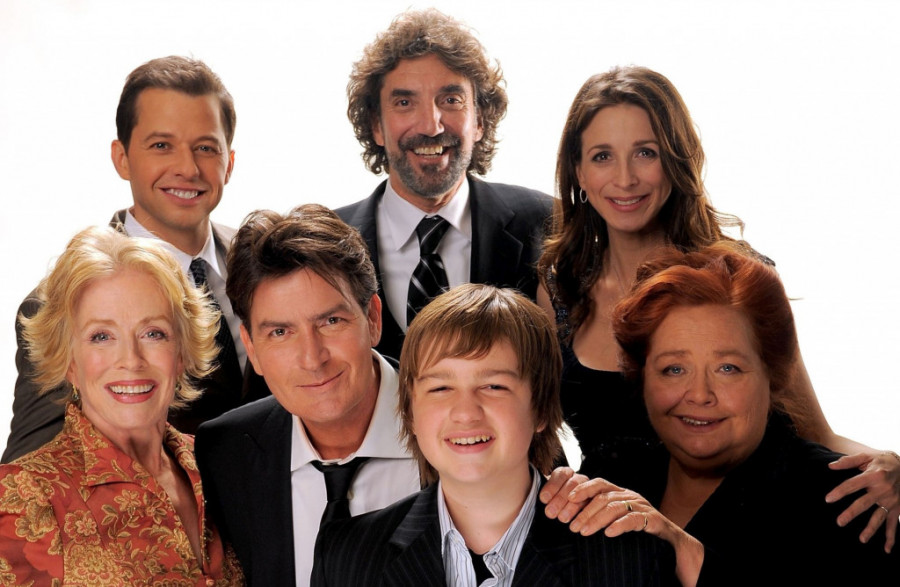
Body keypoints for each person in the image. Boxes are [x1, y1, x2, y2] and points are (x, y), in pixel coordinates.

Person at [536, 65, 900, 548]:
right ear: (579, 171)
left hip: (747, 529)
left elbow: (814, 431)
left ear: (676, 160)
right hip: (615, 541)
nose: (625, 178)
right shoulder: (560, 289)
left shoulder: (737, 277)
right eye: (603, 156)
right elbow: (538, 436)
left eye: (646, 152)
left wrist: (892, 465)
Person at [196, 206, 606, 586]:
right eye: (280, 332)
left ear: (373, 318)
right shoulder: (225, 453)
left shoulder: (490, 427)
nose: (312, 358)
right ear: (251, 348)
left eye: (331, 321)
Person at [568, 244, 897, 585]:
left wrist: (686, 554)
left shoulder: (846, 498)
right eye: (674, 369)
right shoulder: (610, 471)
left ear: (773, 374)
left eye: (728, 368)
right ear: (643, 378)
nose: (699, 394)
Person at [312, 284, 677, 586]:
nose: (466, 412)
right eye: (440, 388)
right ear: (410, 411)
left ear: (541, 407)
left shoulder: (627, 556)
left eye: (494, 386)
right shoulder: (346, 556)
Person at [4, 56, 268, 463]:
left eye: (205, 148)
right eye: (161, 146)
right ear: (122, 158)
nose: (187, 168)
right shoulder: (62, 300)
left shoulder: (264, 262)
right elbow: (31, 468)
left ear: (229, 163)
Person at [0, 227, 243, 584]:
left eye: (153, 333)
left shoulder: (222, 468)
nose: (131, 360)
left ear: (182, 353)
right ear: (69, 361)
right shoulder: (24, 496)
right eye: (101, 336)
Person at [339, 8, 553, 361]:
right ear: (376, 125)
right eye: (404, 102)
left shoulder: (549, 223)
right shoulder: (326, 244)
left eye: (451, 100)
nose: (431, 125)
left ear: (479, 119)